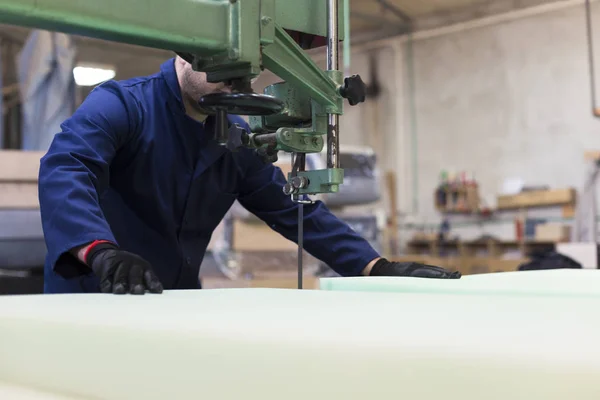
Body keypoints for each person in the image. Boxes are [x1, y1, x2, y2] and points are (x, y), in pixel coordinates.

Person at [38, 56, 461, 295]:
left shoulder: (236, 137)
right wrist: (100, 251)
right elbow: (66, 170)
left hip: (173, 304)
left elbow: (295, 211)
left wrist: (375, 267)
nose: (237, 82)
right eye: (223, 67)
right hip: (94, 292)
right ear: (185, 52)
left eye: (247, 71)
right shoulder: (122, 105)